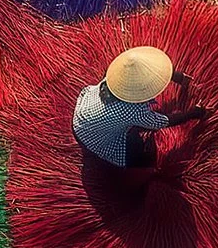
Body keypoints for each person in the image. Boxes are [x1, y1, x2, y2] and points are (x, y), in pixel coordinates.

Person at [72, 46, 207, 168]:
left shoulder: (117, 76)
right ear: (140, 90)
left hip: (85, 112)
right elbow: (163, 122)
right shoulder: (133, 110)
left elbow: (150, 70)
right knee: (142, 158)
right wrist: (194, 113)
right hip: (90, 136)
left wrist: (177, 76)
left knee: (130, 125)